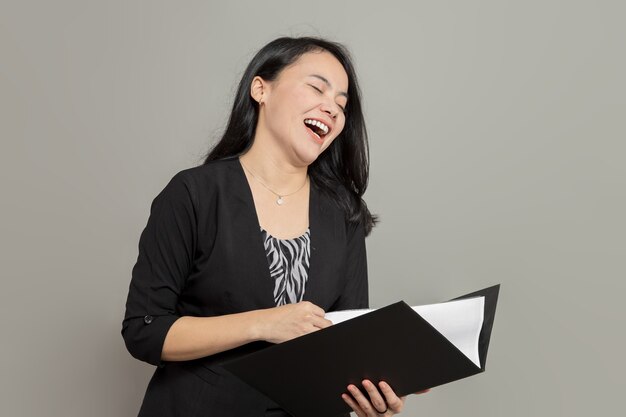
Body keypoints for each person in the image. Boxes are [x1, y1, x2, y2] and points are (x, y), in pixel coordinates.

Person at [122, 36, 417, 417]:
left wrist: (377, 390)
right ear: (261, 89)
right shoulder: (194, 193)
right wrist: (264, 324)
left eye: (342, 106)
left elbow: (344, 343)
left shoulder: (344, 212)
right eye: (316, 87)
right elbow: (144, 330)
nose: (331, 109)